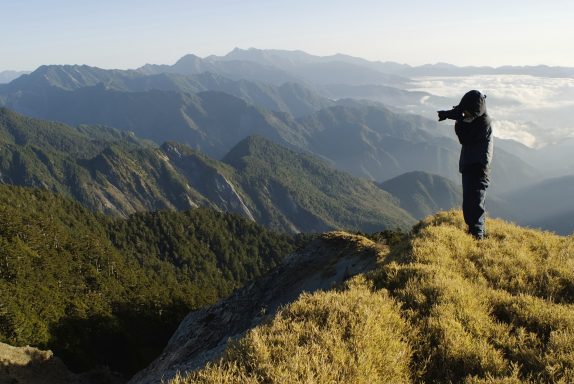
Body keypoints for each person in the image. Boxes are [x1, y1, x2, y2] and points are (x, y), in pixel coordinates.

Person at [438, 90, 493, 239]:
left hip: (478, 168)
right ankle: (474, 233)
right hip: (471, 166)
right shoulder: (478, 118)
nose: (465, 114)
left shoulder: (483, 123)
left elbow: (465, 138)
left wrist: (458, 121)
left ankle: (478, 238)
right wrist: (451, 114)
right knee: (470, 203)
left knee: (475, 204)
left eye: (468, 112)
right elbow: (463, 113)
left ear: (475, 110)